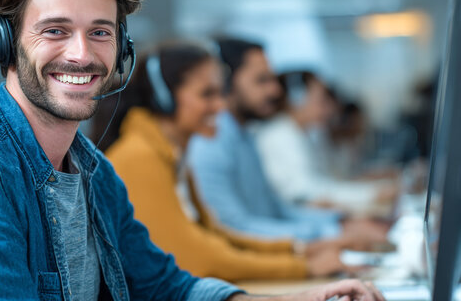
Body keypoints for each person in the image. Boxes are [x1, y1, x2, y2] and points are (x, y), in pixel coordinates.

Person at [0, 0, 385, 300]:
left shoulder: (95, 173)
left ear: (122, 51)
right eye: (55, 31)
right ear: (4, 43)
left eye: (99, 32)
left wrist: (303, 298)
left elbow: (166, 286)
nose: (81, 54)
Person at [105, 41, 348, 282]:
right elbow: (198, 258)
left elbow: (216, 235)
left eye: (221, 93)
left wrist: (298, 250)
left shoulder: (170, 155)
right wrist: (300, 267)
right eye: (207, 94)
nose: (221, 106)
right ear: (164, 98)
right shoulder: (140, 157)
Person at [187, 38, 387, 247]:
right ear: (225, 83)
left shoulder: (245, 137)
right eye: (261, 80)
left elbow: (276, 210)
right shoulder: (210, 142)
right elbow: (234, 228)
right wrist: (331, 233)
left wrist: (339, 222)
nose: (275, 91)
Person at [255, 71, 397, 216]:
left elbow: (323, 185)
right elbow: (307, 194)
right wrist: (371, 193)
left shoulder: (303, 135)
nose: (327, 108)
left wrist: (371, 191)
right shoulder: (278, 136)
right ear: (297, 99)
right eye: (321, 100)